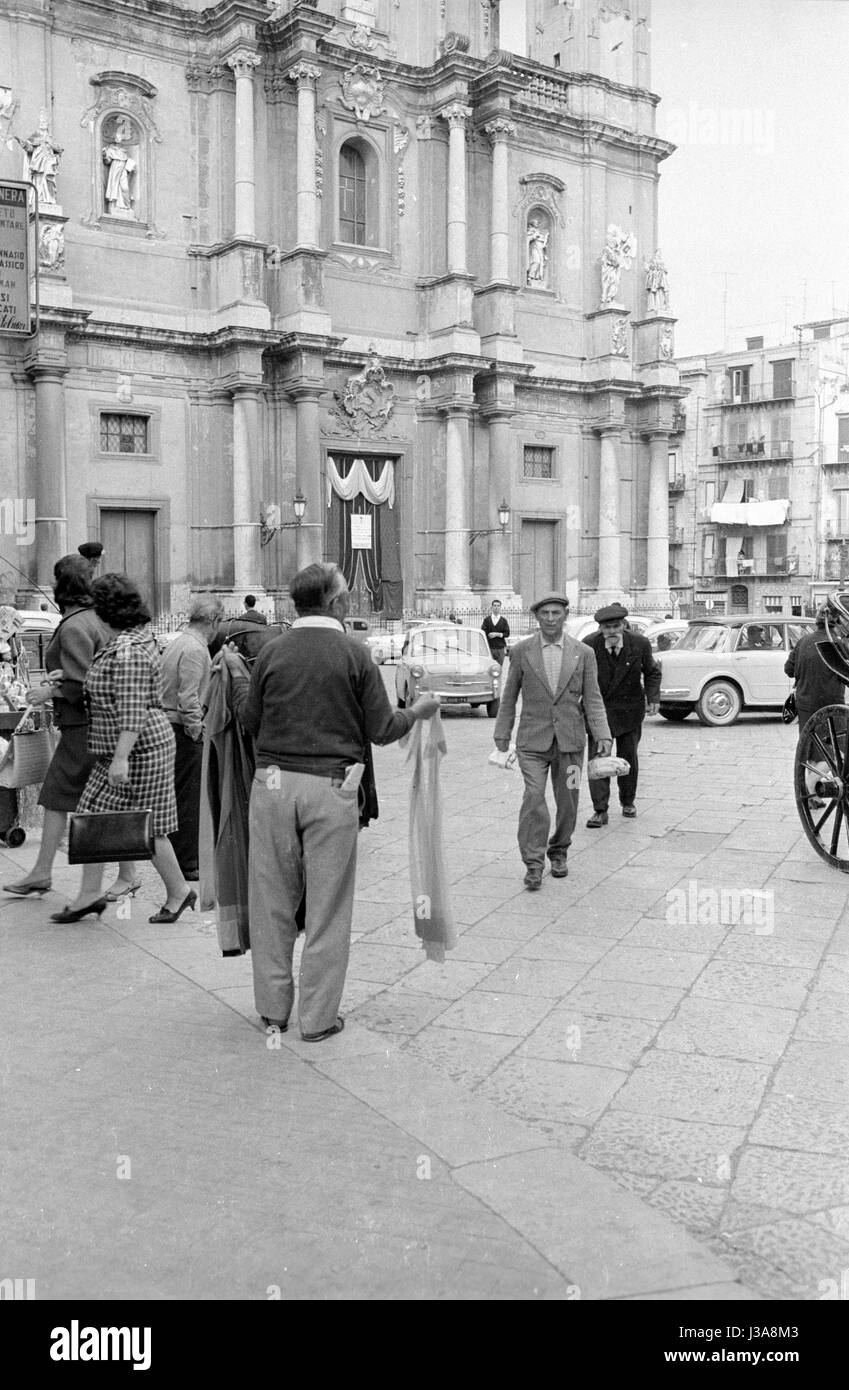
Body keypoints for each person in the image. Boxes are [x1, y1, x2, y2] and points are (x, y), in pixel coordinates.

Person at [220, 562, 439, 1040]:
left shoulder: (273, 652)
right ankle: (318, 1019)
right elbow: (382, 730)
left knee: (271, 899)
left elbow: (251, 720)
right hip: (332, 786)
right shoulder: (354, 654)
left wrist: (238, 679)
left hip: (273, 786)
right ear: (337, 602)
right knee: (327, 906)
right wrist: (416, 711)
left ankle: (273, 1010)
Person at [49, 574, 196, 925]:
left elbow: (131, 712)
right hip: (133, 747)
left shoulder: (128, 651)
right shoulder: (130, 642)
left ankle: (176, 892)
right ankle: (92, 894)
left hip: (138, 749)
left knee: (149, 826)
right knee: (98, 814)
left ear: (107, 610)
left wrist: (120, 760)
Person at [3, 558, 137, 899]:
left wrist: (48, 690)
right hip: (97, 725)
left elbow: (81, 685)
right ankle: (124, 874)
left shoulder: (75, 626)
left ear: (61, 587)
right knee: (88, 800)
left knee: (62, 797)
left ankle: (51, 875)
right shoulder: (96, 620)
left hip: (82, 727)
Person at [493, 592, 611, 890]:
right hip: (532, 742)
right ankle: (533, 863)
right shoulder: (521, 651)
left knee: (569, 800)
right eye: (544, 614)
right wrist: (502, 733)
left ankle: (559, 850)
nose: (550, 619)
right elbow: (509, 697)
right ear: (537, 618)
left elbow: (594, 699)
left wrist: (603, 735)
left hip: (571, 743)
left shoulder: (583, 653)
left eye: (556, 613)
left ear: (565, 616)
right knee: (533, 797)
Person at [160, 597, 224, 880]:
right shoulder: (195, 649)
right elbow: (189, 699)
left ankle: (180, 856)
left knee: (179, 794)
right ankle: (188, 861)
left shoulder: (178, 642)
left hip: (172, 727)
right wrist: (197, 733)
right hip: (182, 731)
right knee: (189, 797)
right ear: (212, 621)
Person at [583, 603, 661, 825]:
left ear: (624, 625)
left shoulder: (640, 643)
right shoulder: (590, 645)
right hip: (600, 712)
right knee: (599, 760)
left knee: (628, 759)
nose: (612, 632)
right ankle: (600, 809)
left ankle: (628, 801)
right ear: (600, 629)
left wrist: (653, 698)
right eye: (607, 628)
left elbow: (652, 672)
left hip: (630, 712)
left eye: (616, 626)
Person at [785, 609, 846, 733]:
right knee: (833, 743)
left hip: (806, 704)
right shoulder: (838, 643)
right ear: (837, 622)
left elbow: (788, 670)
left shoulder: (803, 641)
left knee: (808, 743)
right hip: (832, 704)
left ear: (817, 622)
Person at [481, 599, 510, 667]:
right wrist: (489, 635)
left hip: (500, 648)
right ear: (491, 607)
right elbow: (483, 631)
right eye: (494, 606)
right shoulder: (487, 620)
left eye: (498, 606)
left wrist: (497, 634)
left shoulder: (503, 620)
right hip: (490, 647)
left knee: (499, 667)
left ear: (500, 607)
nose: (496, 607)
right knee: (490, 667)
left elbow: (507, 633)